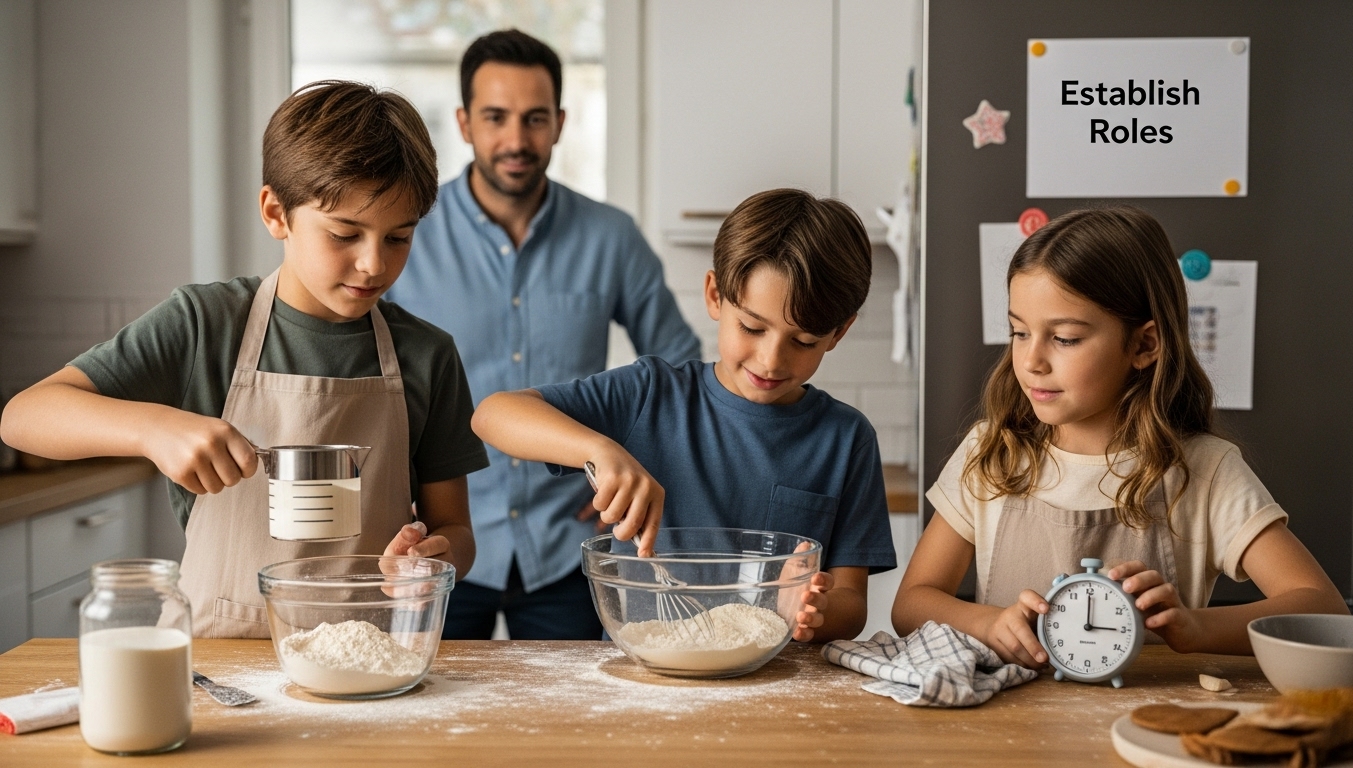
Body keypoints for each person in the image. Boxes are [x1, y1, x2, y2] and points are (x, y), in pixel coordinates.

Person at [0, 81, 486, 638]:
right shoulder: (205, 324)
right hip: (219, 664)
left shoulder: (427, 355)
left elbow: (456, 528)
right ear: (276, 213)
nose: (373, 264)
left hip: (375, 660)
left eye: (398, 238)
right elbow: (23, 417)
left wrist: (433, 560)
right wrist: (153, 428)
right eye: (345, 234)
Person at [891, 206, 1347, 666]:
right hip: (1012, 723)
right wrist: (985, 623)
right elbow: (912, 604)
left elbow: (1320, 607)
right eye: (1019, 332)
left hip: (1145, 721)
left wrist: (1194, 627)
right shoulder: (991, 452)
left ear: (1144, 345)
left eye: (1064, 338)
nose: (1031, 360)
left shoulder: (1205, 472)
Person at [471, 189, 897, 643]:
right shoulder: (648, 394)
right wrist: (599, 449)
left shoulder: (846, 439)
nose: (772, 360)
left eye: (804, 341)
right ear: (715, 296)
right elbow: (493, 414)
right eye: (752, 328)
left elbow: (852, 604)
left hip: (776, 687)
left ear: (839, 332)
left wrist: (815, 608)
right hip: (645, 684)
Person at [386, 29, 699, 641]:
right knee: (432, 724)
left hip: (570, 547)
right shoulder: (405, 234)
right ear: (464, 123)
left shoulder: (612, 239)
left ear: (558, 123)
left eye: (534, 119)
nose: (515, 140)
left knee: (577, 729)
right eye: (495, 117)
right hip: (439, 540)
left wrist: (638, 462)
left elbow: (681, 370)